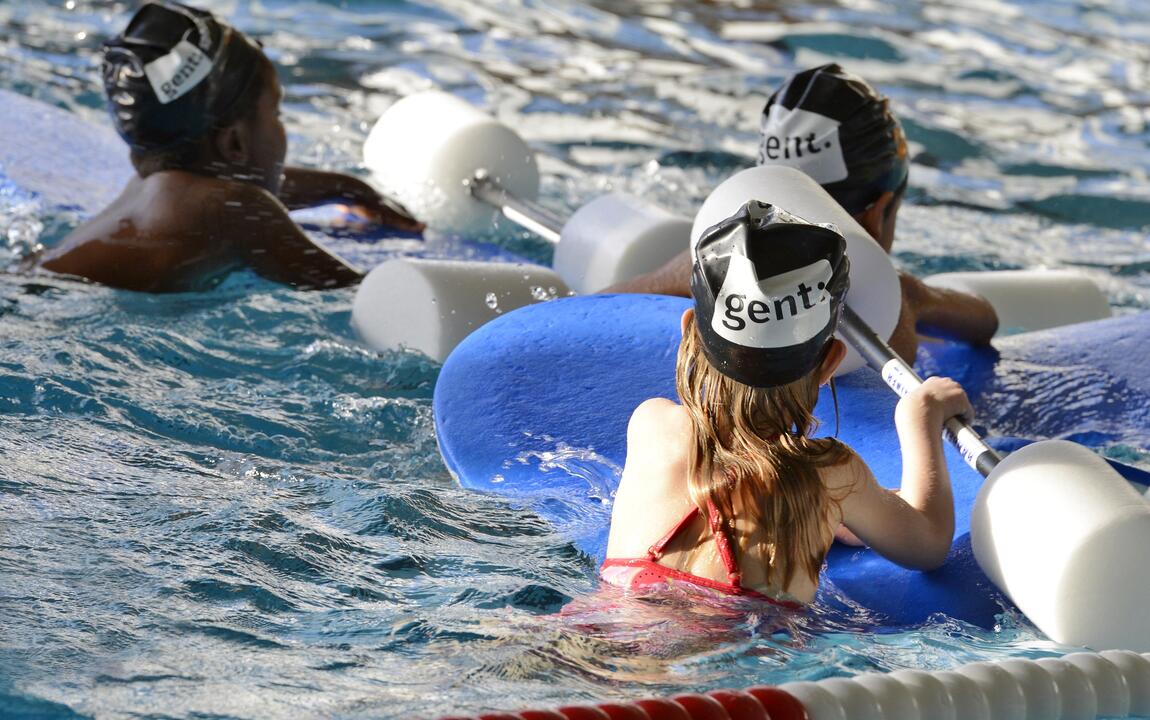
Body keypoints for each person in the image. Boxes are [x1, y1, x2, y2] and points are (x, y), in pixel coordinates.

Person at [601, 201, 972, 605]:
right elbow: (928, 543)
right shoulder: (830, 476)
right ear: (830, 362)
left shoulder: (652, 426)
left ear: (690, 327)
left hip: (595, 629)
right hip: (733, 655)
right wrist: (920, 419)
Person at [606, 64, 998, 363]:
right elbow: (985, 320)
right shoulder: (894, 313)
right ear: (878, 213)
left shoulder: (697, 270)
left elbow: (576, 314)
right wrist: (917, 296)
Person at [37, 1, 421, 293]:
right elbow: (354, 292)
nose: (281, 126)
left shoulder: (159, 190)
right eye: (277, 113)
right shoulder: (236, 211)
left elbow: (253, 192)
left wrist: (347, 188)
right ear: (234, 142)